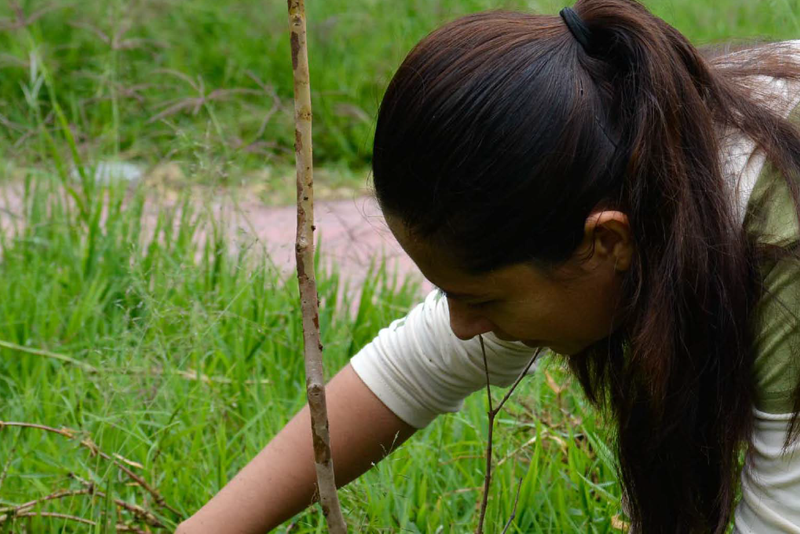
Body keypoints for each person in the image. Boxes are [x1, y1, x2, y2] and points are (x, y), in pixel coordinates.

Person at [178, 1, 800, 532]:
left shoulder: (781, 241)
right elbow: (409, 371)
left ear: (608, 242)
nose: (460, 325)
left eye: (483, 299)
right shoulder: (638, 151)